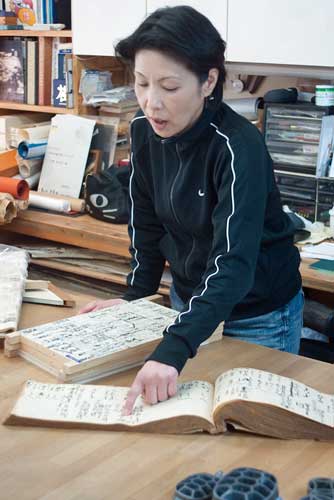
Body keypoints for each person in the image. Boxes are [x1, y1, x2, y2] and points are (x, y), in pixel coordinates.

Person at [79, 6, 303, 414]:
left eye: (169, 86)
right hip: (189, 305)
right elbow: (145, 225)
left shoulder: (237, 147)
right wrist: (137, 296)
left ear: (208, 81)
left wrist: (174, 349)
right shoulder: (144, 131)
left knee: (248, 433)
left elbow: (233, 263)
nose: (151, 102)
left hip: (257, 317)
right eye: (142, 83)